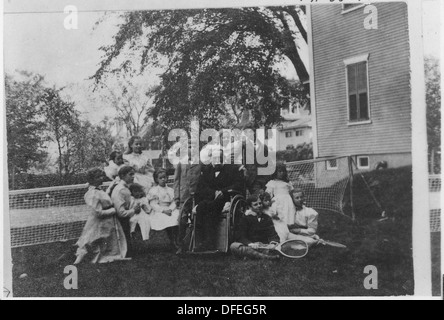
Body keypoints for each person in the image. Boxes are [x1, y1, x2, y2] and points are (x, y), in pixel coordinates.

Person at [195, 149, 245, 251]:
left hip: (226, 199)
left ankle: (209, 242)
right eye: (214, 158)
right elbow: (201, 187)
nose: (217, 161)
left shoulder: (232, 169)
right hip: (210, 198)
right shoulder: (206, 170)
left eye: (219, 158)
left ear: (223, 159)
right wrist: (213, 193)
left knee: (209, 209)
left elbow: (238, 184)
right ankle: (200, 241)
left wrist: (223, 191)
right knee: (201, 208)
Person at [74, 168, 127, 264]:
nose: (102, 178)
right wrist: (113, 210)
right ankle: (79, 260)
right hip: (99, 221)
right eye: (98, 177)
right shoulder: (92, 194)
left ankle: (111, 256)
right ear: (92, 179)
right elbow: (98, 212)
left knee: (105, 241)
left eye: (102, 175)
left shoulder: (98, 190)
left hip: (107, 221)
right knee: (92, 241)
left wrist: (111, 187)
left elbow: (104, 197)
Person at [229, 195, 280, 260]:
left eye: (260, 203)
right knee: (234, 246)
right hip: (250, 246)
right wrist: (250, 244)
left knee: (276, 248)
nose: (259, 206)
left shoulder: (267, 218)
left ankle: (252, 256)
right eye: (255, 204)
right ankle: (267, 257)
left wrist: (273, 243)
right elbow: (241, 236)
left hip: (263, 246)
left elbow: (273, 234)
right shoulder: (245, 219)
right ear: (249, 207)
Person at [174, 143, 202, 253]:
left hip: (196, 195)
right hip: (183, 196)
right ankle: (181, 243)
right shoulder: (181, 163)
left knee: (196, 218)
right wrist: (177, 196)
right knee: (182, 219)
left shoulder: (200, 163)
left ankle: (196, 243)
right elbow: (176, 181)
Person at [111, 166, 142, 258]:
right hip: (120, 220)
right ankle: (127, 250)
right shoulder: (120, 189)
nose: (133, 176)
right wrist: (134, 210)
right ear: (122, 175)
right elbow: (121, 213)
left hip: (125, 217)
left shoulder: (125, 187)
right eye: (130, 174)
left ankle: (130, 248)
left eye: (133, 174)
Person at [147, 168, 180, 249]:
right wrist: (163, 210)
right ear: (156, 179)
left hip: (170, 209)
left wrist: (171, 209)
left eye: (164, 177)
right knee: (167, 219)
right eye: (160, 178)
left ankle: (177, 240)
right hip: (160, 210)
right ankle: (172, 240)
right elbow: (153, 204)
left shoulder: (170, 190)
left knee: (177, 216)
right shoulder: (154, 190)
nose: (163, 179)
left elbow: (174, 201)